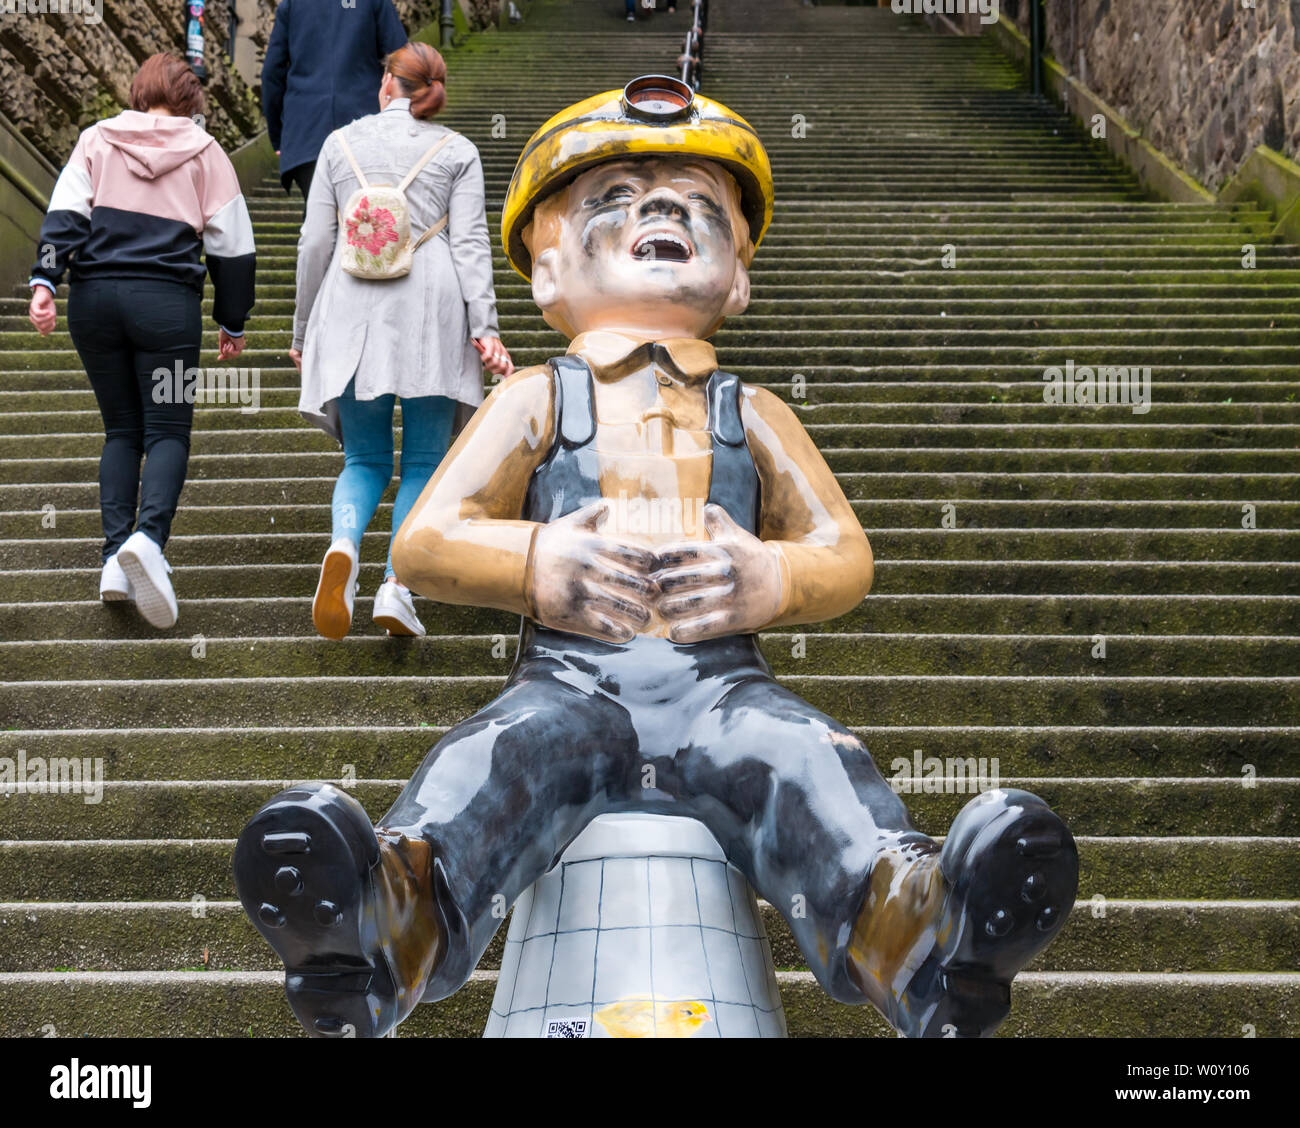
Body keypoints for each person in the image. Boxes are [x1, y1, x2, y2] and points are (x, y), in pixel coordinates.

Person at [234, 77, 1077, 1039]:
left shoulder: (752, 413)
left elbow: (845, 551)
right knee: (496, 759)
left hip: (724, 693)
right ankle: (386, 925)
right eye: (617, 202)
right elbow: (427, 541)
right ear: (547, 272)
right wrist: (536, 558)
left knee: (804, 760)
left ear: (740, 276)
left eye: (699, 207)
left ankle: (919, 934)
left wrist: (773, 577)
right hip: (571, 683)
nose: (665, 211)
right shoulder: (536, 401)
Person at [27, 53, 255, 630]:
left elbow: (63, 218)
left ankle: (112, 560)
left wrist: (44, 282)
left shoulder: (96, 140)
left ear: (141, 90)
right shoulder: (207, 154)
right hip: (166, 308)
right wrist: (232, 320)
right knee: (169, 430)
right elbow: (233, 247)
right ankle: (148, 541)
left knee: (121, 430)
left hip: (95, 303)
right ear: (190, 100)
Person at [293, 41, 512, 640]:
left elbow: (314, 243)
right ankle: (396, 584)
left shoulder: (339, 144)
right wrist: (485, 329)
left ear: (388, 83)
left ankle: (343, 544)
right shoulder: (458, 151)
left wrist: (302, 327)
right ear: (433, 90)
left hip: (350, 303)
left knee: (363, 458)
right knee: (422, 460)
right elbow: (470, 247)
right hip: (431, 307)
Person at [261, 0, 408, 207]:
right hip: (365, 130)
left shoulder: (292, 5)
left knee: (316, 218)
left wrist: (278, 137)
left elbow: (271, 75)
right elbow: (402, 62)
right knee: (367, 220)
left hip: (306, 134)